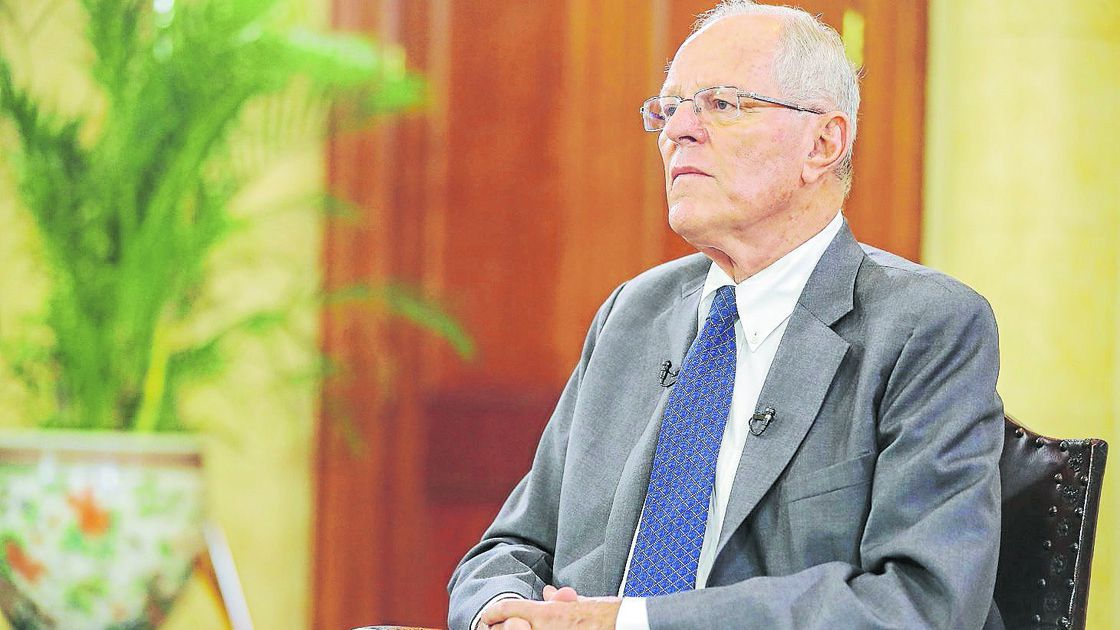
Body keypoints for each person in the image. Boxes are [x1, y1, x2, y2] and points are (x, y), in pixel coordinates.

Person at [448, 1, 1005, 628]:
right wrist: (504, 612)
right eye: (669, 108)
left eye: (720, 103)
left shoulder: (927, 327)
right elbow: (509, 549)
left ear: (823, 142)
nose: (678, 130)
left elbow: (923, 601)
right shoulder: (633, 313)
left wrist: (632, 623)